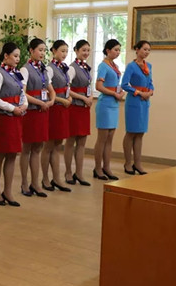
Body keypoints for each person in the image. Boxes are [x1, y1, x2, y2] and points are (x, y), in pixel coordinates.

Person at [0, 42, 27, 207]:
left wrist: (24, 105)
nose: (18, 59)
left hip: (17, 117)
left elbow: (22, 93)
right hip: (4, 118)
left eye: (19, 56)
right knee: (0, 154)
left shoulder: (17, 73)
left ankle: (8, 191)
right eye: (15, 56)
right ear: (6, 56)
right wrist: (12, 108)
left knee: (12, 154)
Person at [19, 38, 55, 198]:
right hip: (31, 112)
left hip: (43, 111)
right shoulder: (25, 69)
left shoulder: (43, 69)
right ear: (31, 51)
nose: (42, 53)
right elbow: (23, 93)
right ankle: (24, 183)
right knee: (27, 148)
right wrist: (40, 102)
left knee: (38, 148)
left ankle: (36, 183)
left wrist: (51, 100)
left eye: (44, 50)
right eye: (39, 50)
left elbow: (51, 89)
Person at [41, 40, 72, 192]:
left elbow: (67, 88)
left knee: (58, 145)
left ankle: (57, 178)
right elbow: (47, 91)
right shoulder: (49, 68)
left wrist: (69, 97)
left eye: (66, 51)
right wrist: (61, 100)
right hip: (54, 108)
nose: (64, 54)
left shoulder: (64, 67)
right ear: (53, 51)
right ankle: (45, 178)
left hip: (63, 108)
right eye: (62, 51)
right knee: (49, 145)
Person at [93, 39, 125, 180]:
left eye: (119, 50)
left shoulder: (115, 66)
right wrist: (113, 93)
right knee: (102, 138)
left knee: (110, 138)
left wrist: (120, 92)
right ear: (108, 50)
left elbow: (116, 84)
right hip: (105, 104)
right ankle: (97, 168)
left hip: (114, 104)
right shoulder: (103, 66)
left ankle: (107, 167)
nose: (118, 52)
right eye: (115, 50)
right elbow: (99, 86)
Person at [121, 40, 154, 175]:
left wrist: (150, 92)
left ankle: (138, 163)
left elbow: (150, 83)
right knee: (131, 132)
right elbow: (124, 84)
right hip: (134, 101)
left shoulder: (149, 66)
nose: (146, 52)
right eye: (144, 49)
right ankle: (128, 163)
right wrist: (139, 92)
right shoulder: (131, 66)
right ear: (137, 49)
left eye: (148, 50)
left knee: (140, 133)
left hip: (144, 102)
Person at [64, 40, 93, 186]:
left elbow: (88, 86)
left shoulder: (86, 67)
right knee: (71, 141)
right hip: (75, 107)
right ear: (76, 51)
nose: (86, 53)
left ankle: (79, 173)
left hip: (84, 108)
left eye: (88, 50)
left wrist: (90, 97)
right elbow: (66, 89)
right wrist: (83, 98)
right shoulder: (71, 68)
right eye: (83, 50)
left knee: (82, 142)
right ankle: (68, 172)